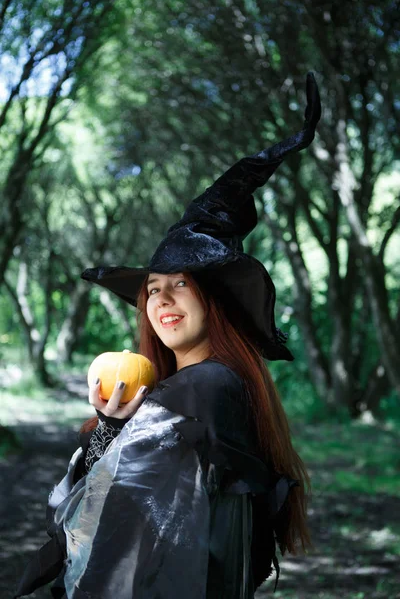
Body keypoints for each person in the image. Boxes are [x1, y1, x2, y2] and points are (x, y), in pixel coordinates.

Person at [15, 72, 321, 599]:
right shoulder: (208, 385)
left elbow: (105, 513)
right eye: (153, 289)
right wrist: (113, 427)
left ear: (214, 300)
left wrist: (108, 437)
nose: (161, 299)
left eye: (181, 284)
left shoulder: (203, 388)